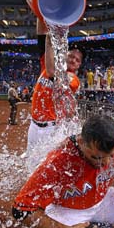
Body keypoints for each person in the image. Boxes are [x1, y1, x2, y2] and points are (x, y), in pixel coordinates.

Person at [27, 20, 83, 170]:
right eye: (71, 56)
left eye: (77, 60)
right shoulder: (48, 64)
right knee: (31, 165)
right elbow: (41, 35)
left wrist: (51, 37)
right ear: (65, 56)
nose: (73, 60)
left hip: (50, 130)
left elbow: (52, 73)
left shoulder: (74, 80)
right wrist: (40, 13)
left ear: (79, 66)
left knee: (46, 167)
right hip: (34, 125)